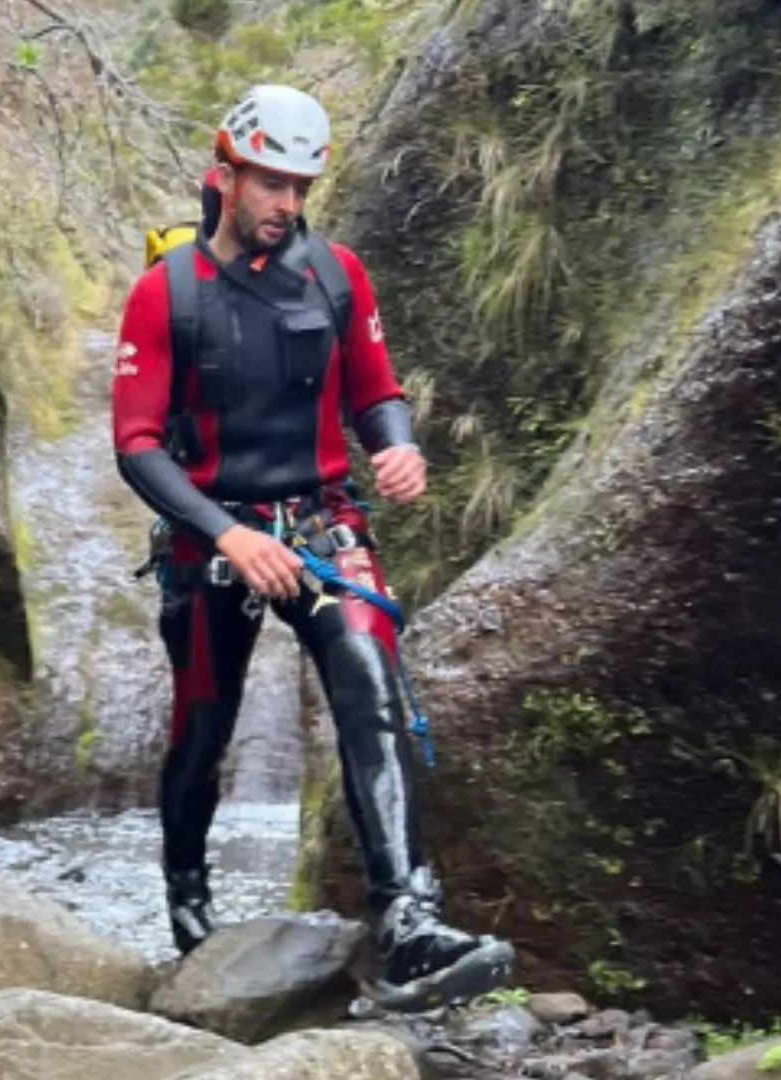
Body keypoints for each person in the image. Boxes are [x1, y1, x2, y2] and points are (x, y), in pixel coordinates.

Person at [111, 84, 515, 1010]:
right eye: (268, 183)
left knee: (370, 684)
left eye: (298, 186)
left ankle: (408, 919)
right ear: (226, 174)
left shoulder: (337, 275)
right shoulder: (163, 294)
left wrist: (397, 442)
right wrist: (224, 532)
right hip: (210, 539)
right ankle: (187, 898)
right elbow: (135, 442)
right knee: (203, 726)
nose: (285, 204)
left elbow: (377, 390)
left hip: (322, 521)